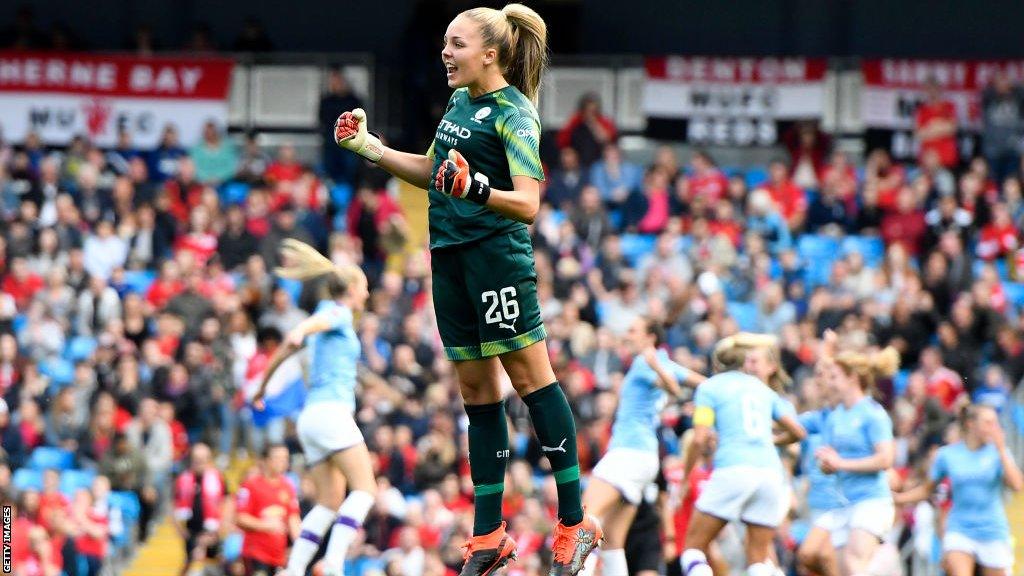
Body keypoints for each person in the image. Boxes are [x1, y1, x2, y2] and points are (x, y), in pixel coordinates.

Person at [331, 5, 602, 575]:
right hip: (449, 257)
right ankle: (489, 536)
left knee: (532, 381)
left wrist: (475, 186)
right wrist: (372, 150)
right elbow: (434, 169)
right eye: (444, 44)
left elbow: (527, 203)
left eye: (456, 44)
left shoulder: (515, 113)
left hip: (495, 259)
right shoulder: (458, 103)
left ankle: (575, 524)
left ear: (491, 54)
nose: (445, 54)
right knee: (476, 392)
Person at [253, 239, 377, 576]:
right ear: (352, 289)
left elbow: (284, 351)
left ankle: (294, 569)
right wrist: (301, 328)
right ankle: (334, 563)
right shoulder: (335, 312)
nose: (367, 294)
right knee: (366, 490)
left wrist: (262, 387)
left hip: (311, 418)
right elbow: (313, 325)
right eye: (364, 287)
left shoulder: (331, 320)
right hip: (331, 413)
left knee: (329, 501)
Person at [578, 318, 704, 576]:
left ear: (650, 338)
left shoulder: (646, 361)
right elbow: (703, 384)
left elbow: (672, 386)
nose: (628, 334)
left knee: (584, 520)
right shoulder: (661, 363)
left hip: (628, 453)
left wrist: (657, 367)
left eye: (633, 330)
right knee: (612, 540)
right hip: (645, 459)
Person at [680, 334, 805, 576]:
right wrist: (772, 440)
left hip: (734, 469)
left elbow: (699, 437)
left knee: (693, 549)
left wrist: (686, 476)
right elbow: (797, 432)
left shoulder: (709, 387)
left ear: (716, 364)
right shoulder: (763, 390)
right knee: (758, 560)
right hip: (770, 474)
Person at [894, 404, 1023, 576]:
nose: (995, 427)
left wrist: (1001, 450)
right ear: (971, 424)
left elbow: (1017, 485)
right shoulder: (947, 455)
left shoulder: (998, 453)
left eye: (995, 422)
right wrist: (898, 498)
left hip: (993, 529)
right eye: (988, 422)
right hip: (959, 529)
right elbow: (927, 489)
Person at [815, 348, 900, 576]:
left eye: (834, 377)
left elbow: (885, 459)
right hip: (843, 503)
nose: (829, 383)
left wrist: (840, 463)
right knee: (844, 571)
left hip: (872, 501)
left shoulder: (873, 413)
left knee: (855, 566)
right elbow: (830, 462)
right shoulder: (835, 417)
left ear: (852, 378)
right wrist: (826, 464)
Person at [235, 444, 301, 576]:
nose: (282, 462)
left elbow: (294, 519)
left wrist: (302, 545)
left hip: (278, 557)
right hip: (256, 554)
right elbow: (240, 518)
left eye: (285, 458)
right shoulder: (250, 485)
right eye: (277, 458)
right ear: (265, 461)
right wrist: (266, 525)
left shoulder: (288, 487)